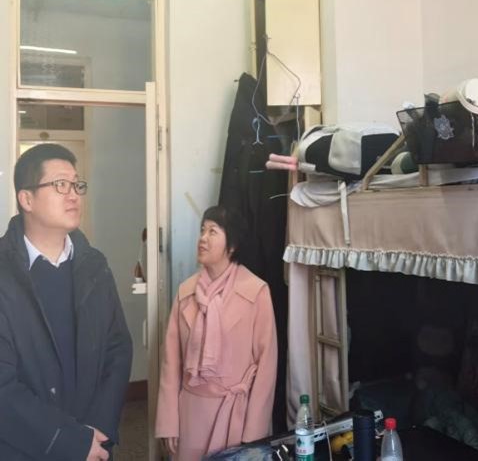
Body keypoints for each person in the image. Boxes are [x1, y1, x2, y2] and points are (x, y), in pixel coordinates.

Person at [0, 143, 133, 460]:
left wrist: (97, 431)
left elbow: (117, 348)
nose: (73, 195)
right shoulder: (4, 272)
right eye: (60, 185)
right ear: (26, 199)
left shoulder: (94, 265)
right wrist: (68, 440)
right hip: (25, 449)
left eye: (77, 185)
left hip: (93, 443)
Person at [155, 205, 278, 461]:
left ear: (231, 245)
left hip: (236, 417)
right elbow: (170, 364)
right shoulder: (185, 292)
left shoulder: (256, 291)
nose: (203, 238)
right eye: (202, 230)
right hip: (191, 415)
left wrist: (254, 431)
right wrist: (169, 422)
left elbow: (267, 366)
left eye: (213, 231)